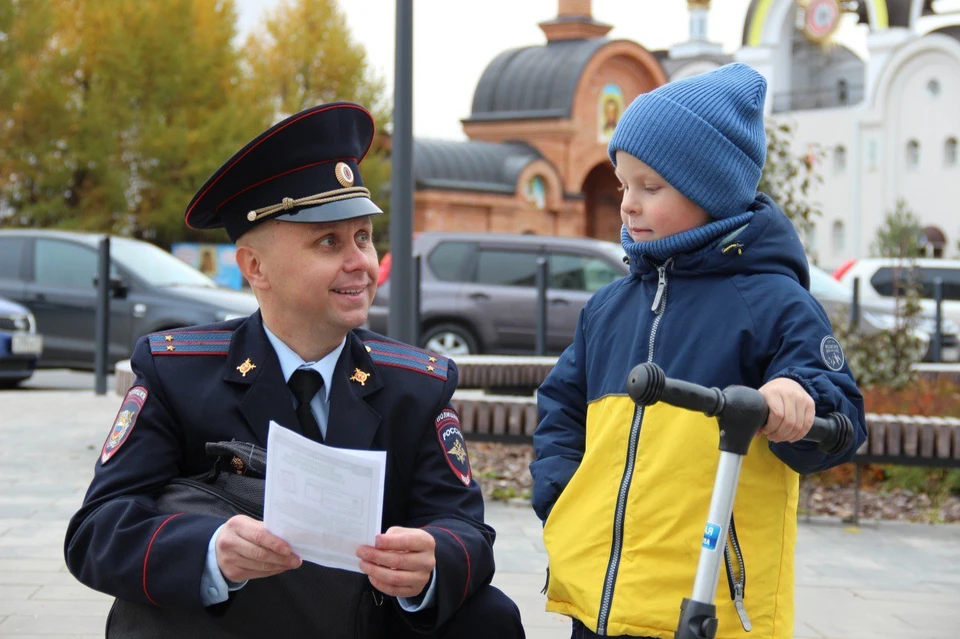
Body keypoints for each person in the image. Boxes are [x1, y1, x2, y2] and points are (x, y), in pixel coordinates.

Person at [64, 102, 524, 638]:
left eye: (363, 237)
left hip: (362, 620)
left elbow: (465, 528)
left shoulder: (416, 385)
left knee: (489, 617)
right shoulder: (177, 373)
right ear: (255, 268)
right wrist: (212, 552)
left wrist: (432, 559)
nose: (361, 263)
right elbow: (96, 531)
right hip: (238, 623)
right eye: (328, 241)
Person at [529, 63, 867, 639]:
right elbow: (562, 404)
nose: (629, 205)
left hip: (711, 606)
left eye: (650, 187)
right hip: (602, 604)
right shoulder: (609, 308)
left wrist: (795, 396)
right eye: (624, 186)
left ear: (711, 190)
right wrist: (562, 492)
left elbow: (842, 413)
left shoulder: (772, 301)